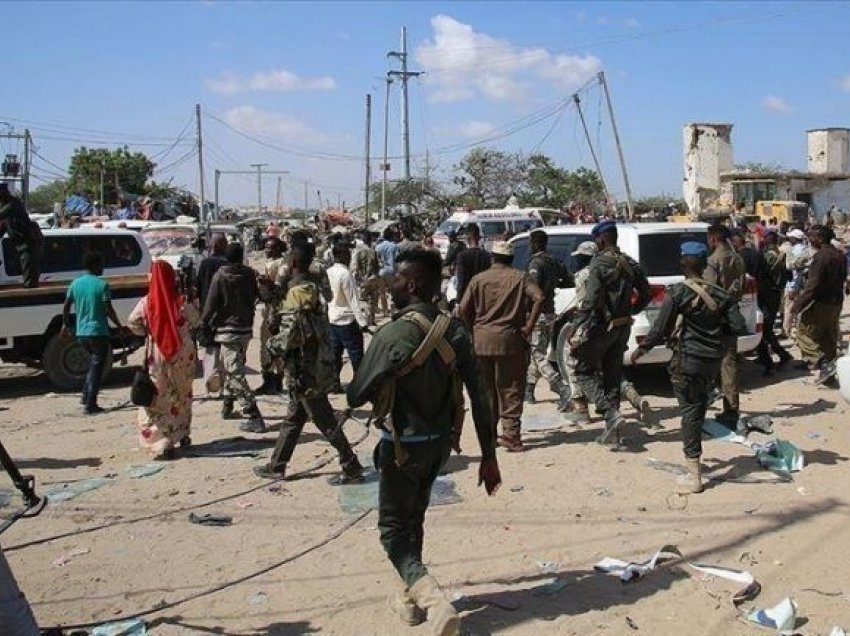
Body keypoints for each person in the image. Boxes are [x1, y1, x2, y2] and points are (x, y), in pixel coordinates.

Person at [347, 248, 501, 635]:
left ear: (412, 284)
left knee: (392, 529)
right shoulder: (456, 331)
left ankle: (433, 601)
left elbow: (355, 394)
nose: (391, 285)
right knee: (414, 517)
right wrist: (489, 456)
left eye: (396, 279)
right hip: (439, 445)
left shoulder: (393, 333)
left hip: (401, 445)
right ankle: (408, 598)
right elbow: (482, 397)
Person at [631, 242, 748, 494]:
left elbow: (660, 329)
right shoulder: (720, 294)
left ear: (682, 263)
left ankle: (693, 475)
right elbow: (738, 327)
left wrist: (642, 350)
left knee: (690, 415)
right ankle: (694, 466)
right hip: (711, 363)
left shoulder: (677, 293)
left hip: (686, 362)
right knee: (698, 409)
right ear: (704, 264)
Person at [254, 245, 365, 483]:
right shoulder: (312, 288)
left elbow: (291, 332)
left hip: (305, 369)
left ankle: (351, 463)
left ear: (292, 264)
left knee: (323, 419)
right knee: (294, 418)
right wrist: (274, 294)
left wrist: (271, 348)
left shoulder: (299, 293)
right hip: (313, 365)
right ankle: (277, 465)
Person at [567, 221, 651, 446]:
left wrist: (576, 325)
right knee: (612, 375)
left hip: (602, 327)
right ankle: (613, 432)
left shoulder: (599, 263)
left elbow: (591, 300)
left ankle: (609, 414)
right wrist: (631, 310)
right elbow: (646, 292)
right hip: (623, 326)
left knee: (583, 371)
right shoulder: (629, 262)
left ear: (601, 239)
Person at [458, 241, 544, 452]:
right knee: (511, 388)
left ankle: (489, 433)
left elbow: (462, 309)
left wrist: (473, 330)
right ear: (512, 259)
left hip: (481, 341)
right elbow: (539, 297)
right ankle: (511, 435)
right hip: (510, 340)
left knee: (486, 391)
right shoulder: (520, 277)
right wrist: (529, 326)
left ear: (493, 257)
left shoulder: (478, 279)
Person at [127, 261, 199, 459]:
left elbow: (132, 322)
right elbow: (196, 321)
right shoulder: (182, 302)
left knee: (158, 398)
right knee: (182, 394)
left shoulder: (147, 302)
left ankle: (162, 441)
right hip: (183, 354)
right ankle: (181, 433)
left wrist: (149, 332)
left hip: (158, 354)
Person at [200, 242, 265, 432]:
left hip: (227, 331)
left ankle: (253, 413)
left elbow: (211, 304)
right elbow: (257, 296)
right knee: (233, 367)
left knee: (234, 371)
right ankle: (227, 405)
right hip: (245, 329)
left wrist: (203, 324)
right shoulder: (250, 274)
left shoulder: (220, 275)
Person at [61, 251, 124, 414]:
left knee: (94, 365)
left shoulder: (75, 284)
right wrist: (118, 325)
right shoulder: (102, 285)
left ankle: (85, 396)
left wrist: (65, 324)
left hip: (81, 333)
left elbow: (66, 306)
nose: (103, 268)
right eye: (101, 264)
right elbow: (108, 309)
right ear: (95, 265)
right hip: (98, 332)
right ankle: (91, 404)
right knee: (97, 368)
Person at [793, 225, 848, 383]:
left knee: (803, 334)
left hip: (822, 302)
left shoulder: (821, 257)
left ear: (820, 238)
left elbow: (812, 286)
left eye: (811, 236)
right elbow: (843, 279)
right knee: (828, 338)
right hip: (836, 302)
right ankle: (829, 376)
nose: (809, 240)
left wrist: (798, 306)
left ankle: (823, 363)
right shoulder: (840, 255)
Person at [704, 223, 746, 428]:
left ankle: (730, 410)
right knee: (729, 363)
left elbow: (708, 292)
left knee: (720, 363)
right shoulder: (737, 258)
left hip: (716, 317)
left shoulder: (714, 261)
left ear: (713, 239)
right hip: (732, 313)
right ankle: (730, 405)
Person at [524, 229, 572, 408]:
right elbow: (568, 280)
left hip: (538, 313)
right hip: (550, 311)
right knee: (539, 352)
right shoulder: (554, 261)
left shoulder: (535, 263)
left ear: (535, 243)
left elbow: (533, 290)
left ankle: (561, 387)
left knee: (537, 353)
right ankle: (529, 390)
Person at [327, 242, 369, 388]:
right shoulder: (345, 274)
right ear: (342, 255)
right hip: (347, 320)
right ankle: (360, 384)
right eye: (348, 254)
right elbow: (353, 300)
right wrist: (363, 323)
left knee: (334, 355)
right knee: (356, 354)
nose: (350, 256)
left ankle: (334, 383)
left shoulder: (329, 271)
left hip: (332, 319)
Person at [754, 229, 793, 374]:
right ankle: (766, 356)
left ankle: (782, 355)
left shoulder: (770, 255)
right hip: (774, 294)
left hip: (770, 294)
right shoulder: (777, 253)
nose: (763, 240)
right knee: (765, 328)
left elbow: (766, 273)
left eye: (765, 238)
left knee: (765, 329)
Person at [196, 233, 229, 395]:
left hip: (207, 314)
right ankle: (221, 386)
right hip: (225, 314)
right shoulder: (227, 264)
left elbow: (197, 287)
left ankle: (210, 386)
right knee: (224, 351)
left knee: (209, 350)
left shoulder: (205, 264)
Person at [255, 237, 287, 395]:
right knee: (278, 345)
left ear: (278, 249)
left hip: (273, 308)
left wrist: (263, 281)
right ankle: (278, 380)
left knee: (266, 344)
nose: (267, 250)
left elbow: (273, 288)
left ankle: (269, 381)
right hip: (278, 307)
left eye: (270, 247)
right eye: (266, 247)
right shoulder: (284, 262)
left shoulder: (276, 264)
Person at [0, 183, 42, 288]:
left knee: (29, 272)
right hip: (19, 244)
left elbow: (1, 214)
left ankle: (31, 294)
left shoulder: (13, 203)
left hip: (28, 244)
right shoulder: (6, 207)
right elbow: (4, 226)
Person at [780, 229, 809, 339]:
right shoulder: (806, 249)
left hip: (793, 284)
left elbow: (796, 272)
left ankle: (786, 331)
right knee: (799, 309)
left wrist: (793, 287)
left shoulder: (795, 251)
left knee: (789, 308)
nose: (789, 239)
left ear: (795, 239)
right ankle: (798, 331)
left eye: (791, 237)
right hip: (802, 285)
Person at [454, 224, 491, 303]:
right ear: (478, 237)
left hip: (468, 298)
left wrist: (458, 302)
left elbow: (461, 281)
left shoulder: (462, 256)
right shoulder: (487, 256)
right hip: (483, 297)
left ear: (468, 237)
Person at [351, 232, 380, 326]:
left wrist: (359, 278)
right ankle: (372, 319)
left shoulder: (358, 251)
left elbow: (356, 266)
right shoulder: (373, 251)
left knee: (363, 300)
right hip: (373, 279)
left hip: (362, 279)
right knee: (373, 299)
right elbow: (377, 266)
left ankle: (366, 319)